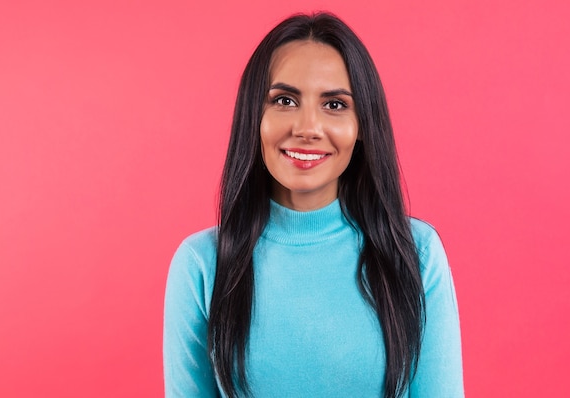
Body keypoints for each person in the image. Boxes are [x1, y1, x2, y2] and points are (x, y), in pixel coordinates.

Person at [163, 12, 463, 398]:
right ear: (253, 117)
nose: (307, 128)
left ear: (362, 128)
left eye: (335, 105)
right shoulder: (202, 265)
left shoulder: (415, 254)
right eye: (284, 100)